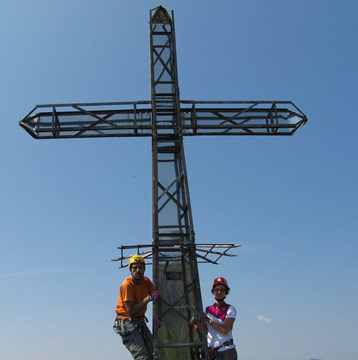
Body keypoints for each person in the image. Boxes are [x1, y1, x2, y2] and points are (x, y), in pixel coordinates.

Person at [114, 255, 160, 360]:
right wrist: (148, 298)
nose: (138, 270)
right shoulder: (127, 285)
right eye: (135, 268)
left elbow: (157, 298)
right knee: (142, 356)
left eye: (140, 267)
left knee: (155, 353)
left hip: (139, 321)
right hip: (127, 322)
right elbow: (131, 311)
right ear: (130, 270)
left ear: (144, 269)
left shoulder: (146, 282)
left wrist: (159, 318)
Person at [191, 277, 237, 360]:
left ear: (226, 292)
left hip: (226, 351)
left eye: (222, 290)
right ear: (213, 292)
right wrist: (196, 322)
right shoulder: (208, 310)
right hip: (212, 352)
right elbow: (204, 332)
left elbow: (225, 330)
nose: (219, 292)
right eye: (217, 289)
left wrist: (208, 320)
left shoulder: (230, 309)